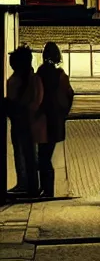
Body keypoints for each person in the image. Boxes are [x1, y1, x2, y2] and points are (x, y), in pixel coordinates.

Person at [6, 46, 45, 197]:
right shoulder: (34, 79)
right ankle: (30, 184)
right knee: (28, 154)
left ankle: (27, 184)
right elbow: (37, 101)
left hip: (22, 122)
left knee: (23, 153)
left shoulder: (18, 80)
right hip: (31, 121)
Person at [36, 42, 74, 197]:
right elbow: (69, 94)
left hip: (41, 118)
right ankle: (47, 189)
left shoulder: (40, 73)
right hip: (55, 119)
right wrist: (63, 113)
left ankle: (46, 189)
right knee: (46, 155)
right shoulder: (60, 75)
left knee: (42, 155)